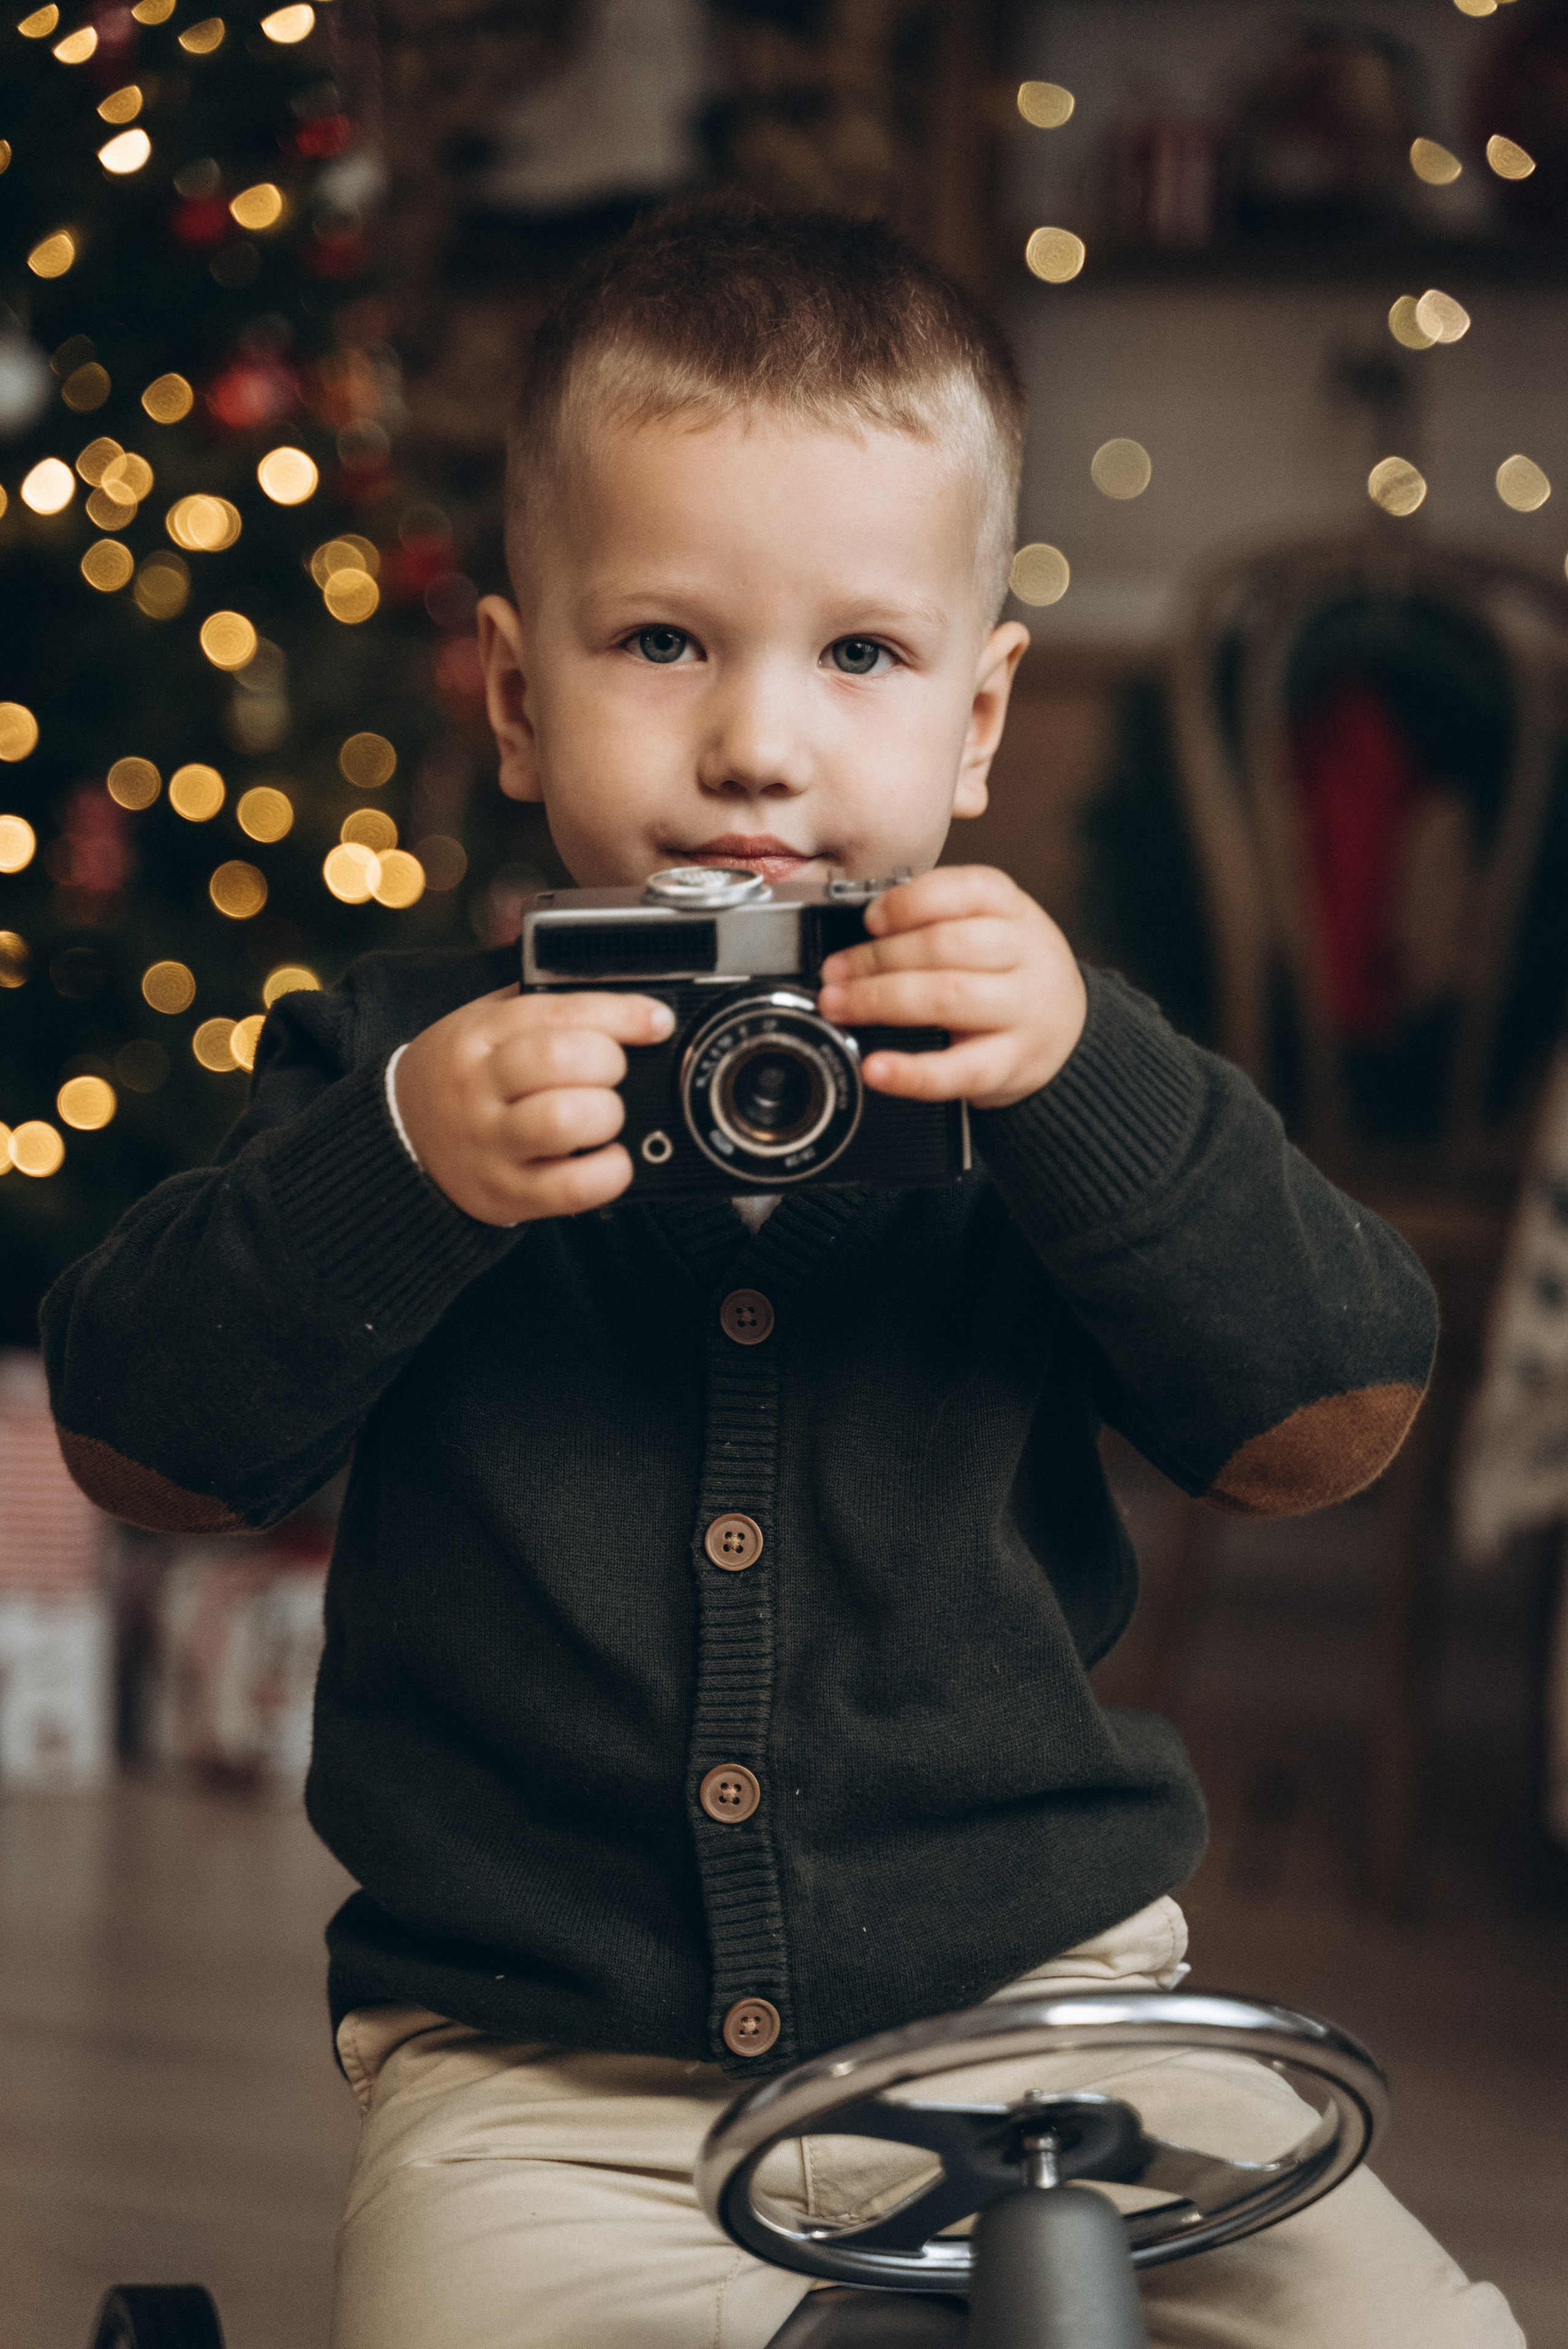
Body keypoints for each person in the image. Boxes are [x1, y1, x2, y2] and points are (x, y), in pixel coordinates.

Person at [42, 200, 1519, 2349]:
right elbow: (138, 1439)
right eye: (665, 643)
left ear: (980, 715)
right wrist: (403, 1170)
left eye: (861, 654)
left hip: (1054, 2020)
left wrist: (1089, 1082)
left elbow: (1335, 1412)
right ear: (520, 695)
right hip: (546, 2073)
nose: (759, 743)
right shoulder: (397, 1064)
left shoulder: (1042, 1053)